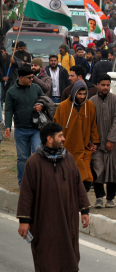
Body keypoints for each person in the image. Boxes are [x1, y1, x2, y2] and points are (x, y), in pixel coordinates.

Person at [16, 122, 90, 272]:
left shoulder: (68, 158)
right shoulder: (34, 162)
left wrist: (85, 210)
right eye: (60, 136)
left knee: (70, 259)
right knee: (46, 259)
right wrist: (24, 221)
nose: (63, 138)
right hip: (44, 223)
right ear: (49, 139)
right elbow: (26, 193)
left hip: (67, 220)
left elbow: (78, 185)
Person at [54, 80, 100, 191]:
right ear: (74, 92)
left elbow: (93, 125)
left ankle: (80, 203)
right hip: (67, 148)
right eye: (80, 94)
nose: (82, 96)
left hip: (83, 148)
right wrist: (56, 143)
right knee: (68, 178)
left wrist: (94, 141)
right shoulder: (63, 106)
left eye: (84, 94)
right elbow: (55, 126)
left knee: (86, 179)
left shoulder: (90, 106)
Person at [89, 74, 116, 208]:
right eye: (103, 85)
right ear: (97, 85)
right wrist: (91, 141)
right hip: (97, 144)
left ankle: (110, 198)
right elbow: (89, 122)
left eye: (108, 85)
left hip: (114, 144)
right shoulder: (91, 101)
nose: (106, 87)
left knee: (113, 171)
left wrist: (111, 140)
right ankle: (99, 197)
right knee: (98, 169)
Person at [5, 66, 45, 186]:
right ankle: (23, 182)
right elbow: (8, 110)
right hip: (20, 129)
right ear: (21, 77)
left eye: (33, 77)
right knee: (22, 158)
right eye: (29, 78)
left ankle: (39, 181)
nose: (32, 79)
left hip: (36, 129)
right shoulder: (11, 92)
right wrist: (8, 125)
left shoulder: (36, 88)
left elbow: (44, 100)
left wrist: (41, 105)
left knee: (38, 153)